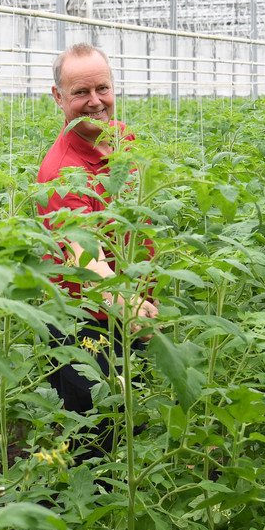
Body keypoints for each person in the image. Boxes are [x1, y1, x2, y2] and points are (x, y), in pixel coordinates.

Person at [37, 43, 157, 462]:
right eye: (80, 93)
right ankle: (85, 518)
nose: (95, 102)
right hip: (86, 326)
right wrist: (133, 304)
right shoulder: (61, 173)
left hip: (130, 310)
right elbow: (87, 263)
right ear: (58, 97)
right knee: (98, 433)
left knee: (137, 423)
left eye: (102, 89)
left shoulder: (123, 137)